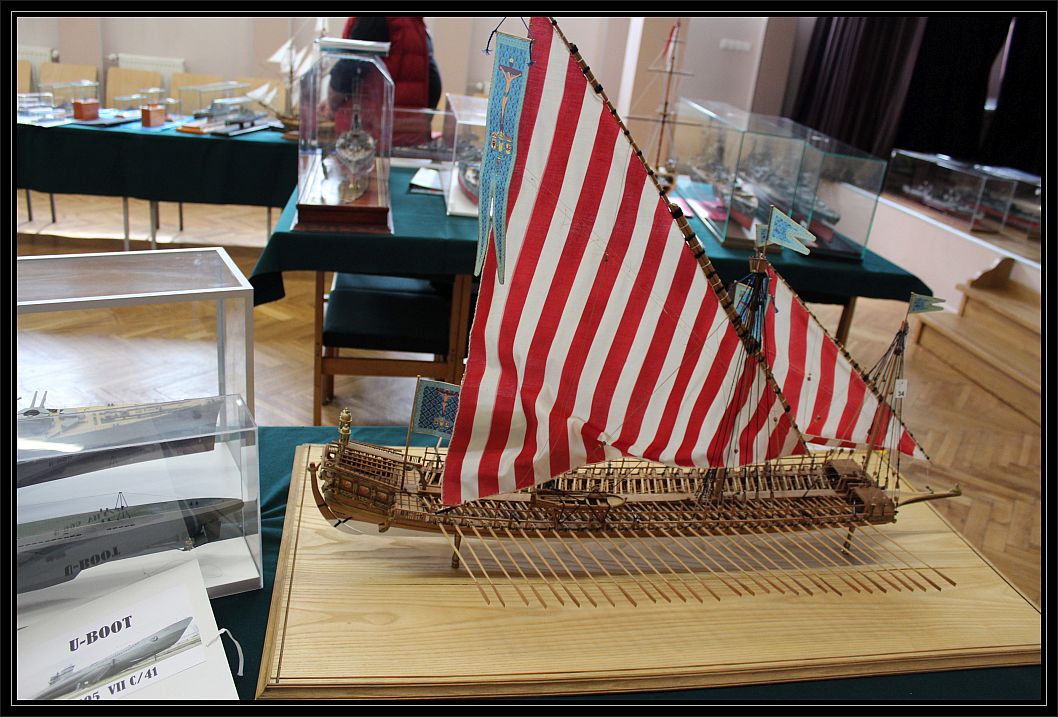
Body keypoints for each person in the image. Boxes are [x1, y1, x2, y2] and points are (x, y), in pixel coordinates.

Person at [323, 16, 442, 146]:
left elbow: (348, 70)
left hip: (366, 140)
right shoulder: (415, 23)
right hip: (409, 139)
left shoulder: (374, 18)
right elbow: (434, 84)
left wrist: (331, 104)